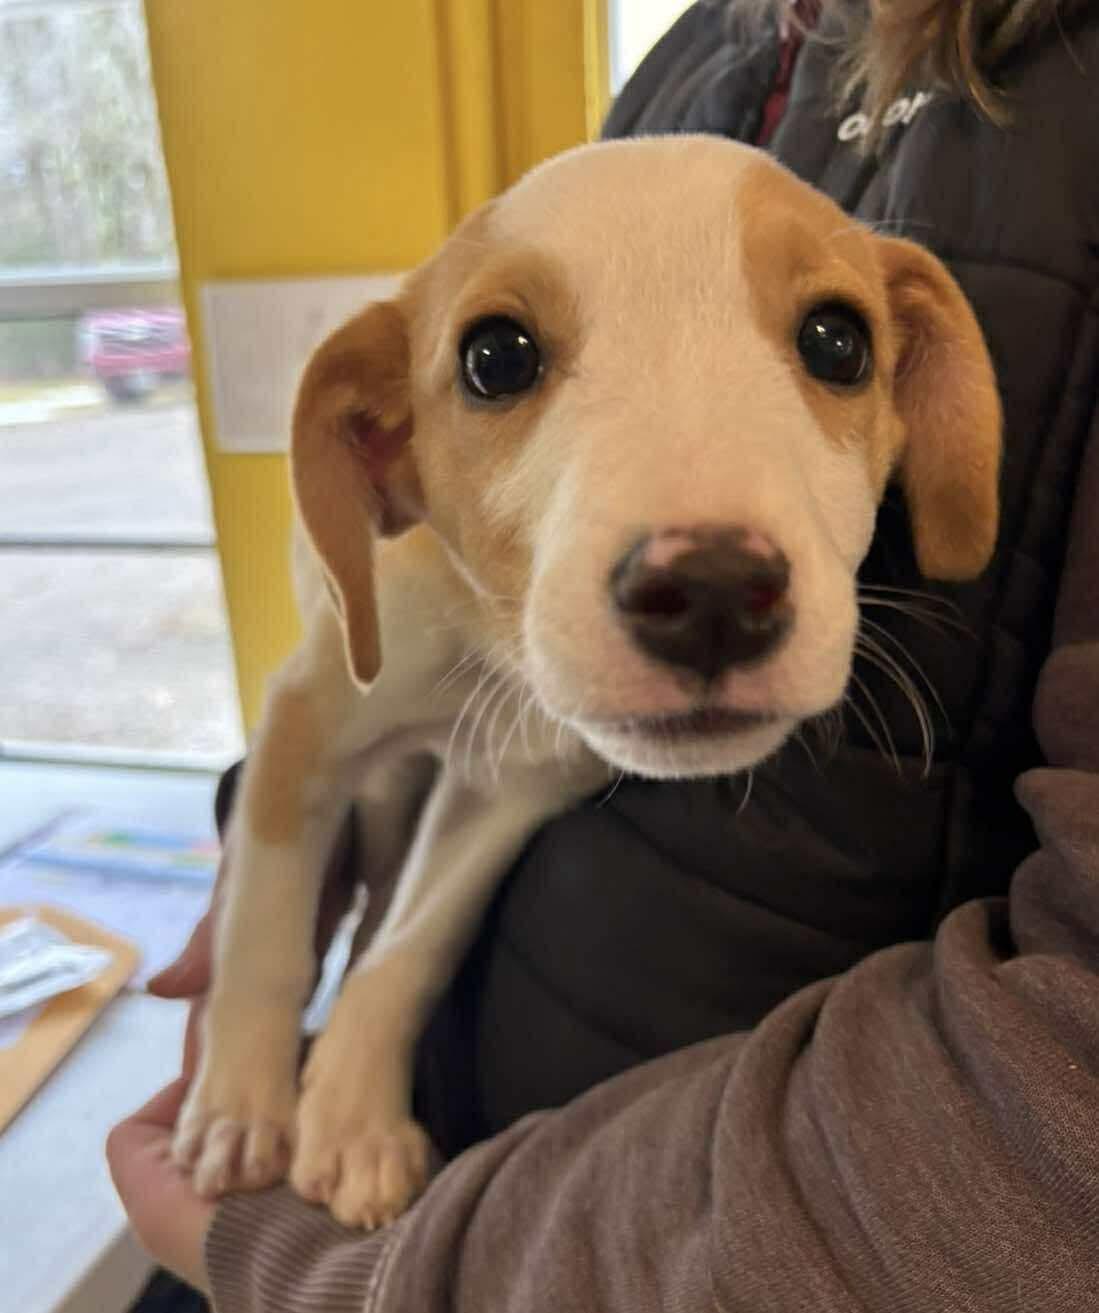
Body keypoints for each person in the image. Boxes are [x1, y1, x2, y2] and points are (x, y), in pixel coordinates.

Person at [108, 0, 1099, 1306]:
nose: (703, 579)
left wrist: (370, 1276)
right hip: (440, 1171)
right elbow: (351, 719)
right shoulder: (709, 51)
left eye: (831, 340)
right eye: (504, 359)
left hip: (607, 1244)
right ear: (379, 450)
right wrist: (275, 937)